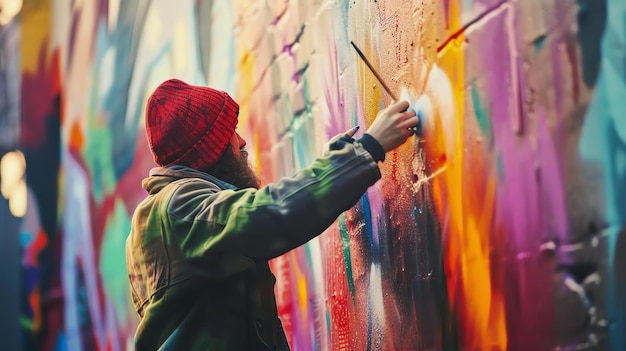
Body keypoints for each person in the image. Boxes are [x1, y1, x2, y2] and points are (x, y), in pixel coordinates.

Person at [125, 78, 419, 350]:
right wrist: (368, 149)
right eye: (229, 133)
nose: (241, 141)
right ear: (209, 150)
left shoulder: (175, 211)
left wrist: (340, 161)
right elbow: (269, 214)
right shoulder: (176, 208)